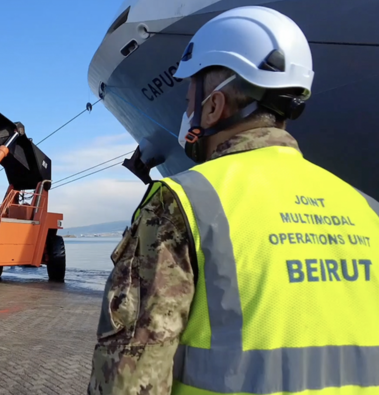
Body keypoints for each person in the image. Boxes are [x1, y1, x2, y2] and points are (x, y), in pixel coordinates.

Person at [88, 5, 379, 395]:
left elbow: (128, 379)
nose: (187, 108)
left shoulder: (183, 202)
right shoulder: (365, 208)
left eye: (190, 92)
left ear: (214, 104)